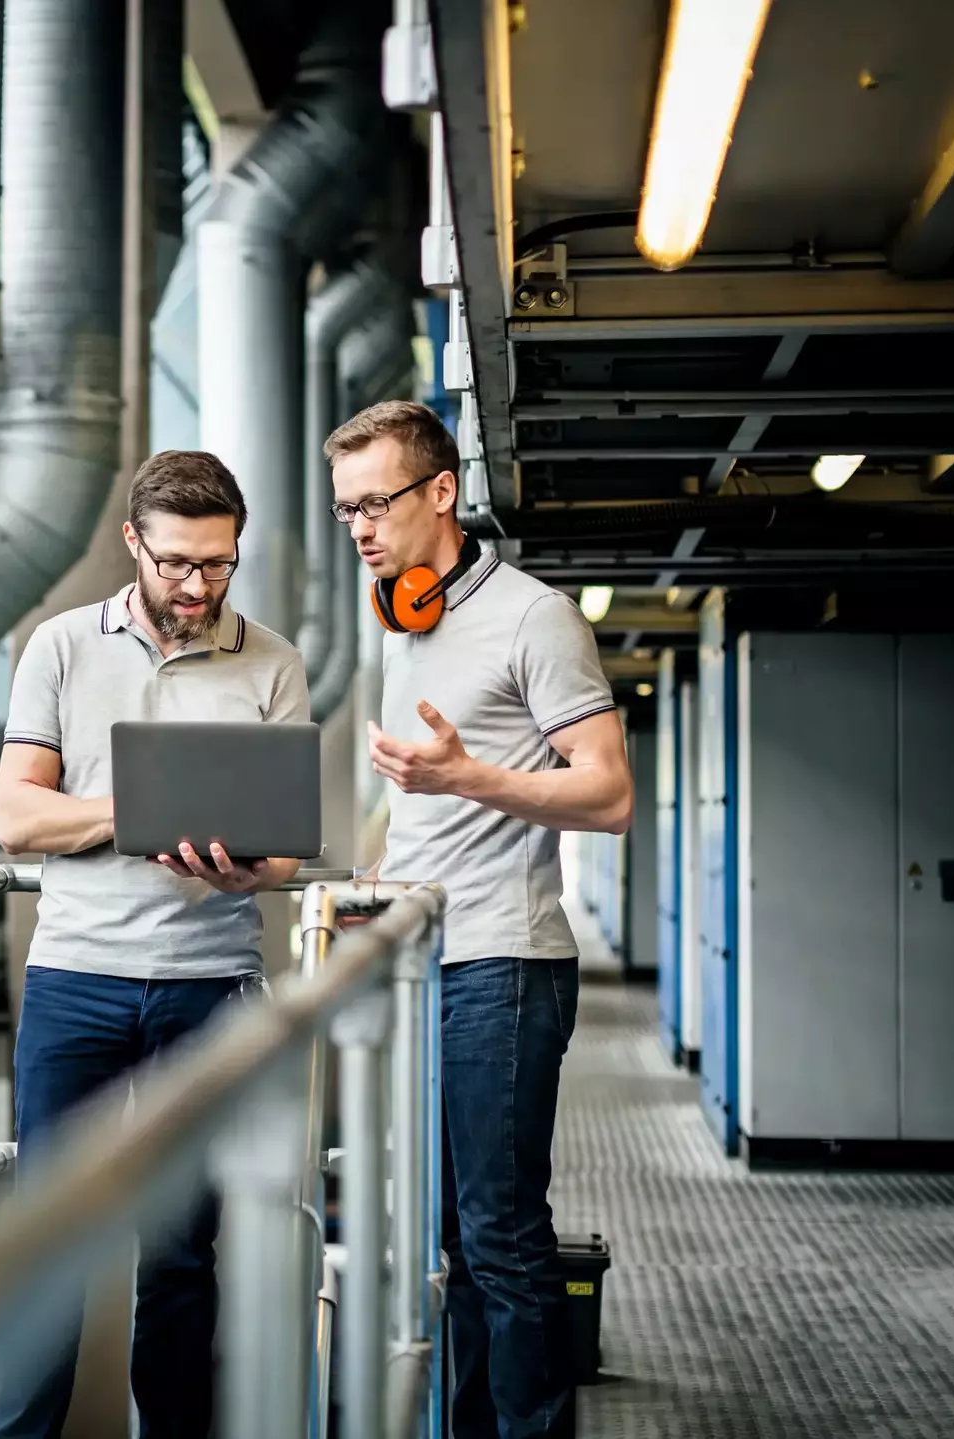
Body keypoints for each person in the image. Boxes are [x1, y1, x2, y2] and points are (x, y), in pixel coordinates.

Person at [325, 400, 632, 1439]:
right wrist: (373, 879)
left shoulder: (533, 616)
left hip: (500, 963)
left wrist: (470, 774)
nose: (359, 527)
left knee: (500, 1236)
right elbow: (430, 803)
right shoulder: (406, 625)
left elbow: (607, 794)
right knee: (448, 1240)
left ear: (441, 492)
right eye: (343, 509)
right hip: (423, 961)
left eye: (374, 502)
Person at [0, 449, 310, 1439]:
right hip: (75, 981)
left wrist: (241, 866)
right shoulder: (59, 649)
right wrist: (130, 812)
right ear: (134, 542)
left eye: (217, 564)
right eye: (176, 563)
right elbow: (16, 818)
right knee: (47, 1243)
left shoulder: (272, 660)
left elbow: (287, 855)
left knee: (178, 1252)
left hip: (208, 982)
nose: (196, 586)